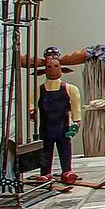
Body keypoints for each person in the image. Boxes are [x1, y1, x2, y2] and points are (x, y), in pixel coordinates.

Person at [28, 46, 83, 183]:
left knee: (65, 148)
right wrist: (31, 111)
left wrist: (76, 122)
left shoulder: (70, 89)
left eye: (56, 66)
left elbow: (76, 108)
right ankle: (45, 173)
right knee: (45, 150)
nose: (52, 69)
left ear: (61, 68)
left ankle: (67, 171)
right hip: (45, 128)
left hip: (63, 127)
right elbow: (31, 103)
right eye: (49, 67)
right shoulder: (39, 90)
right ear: (44, 69)